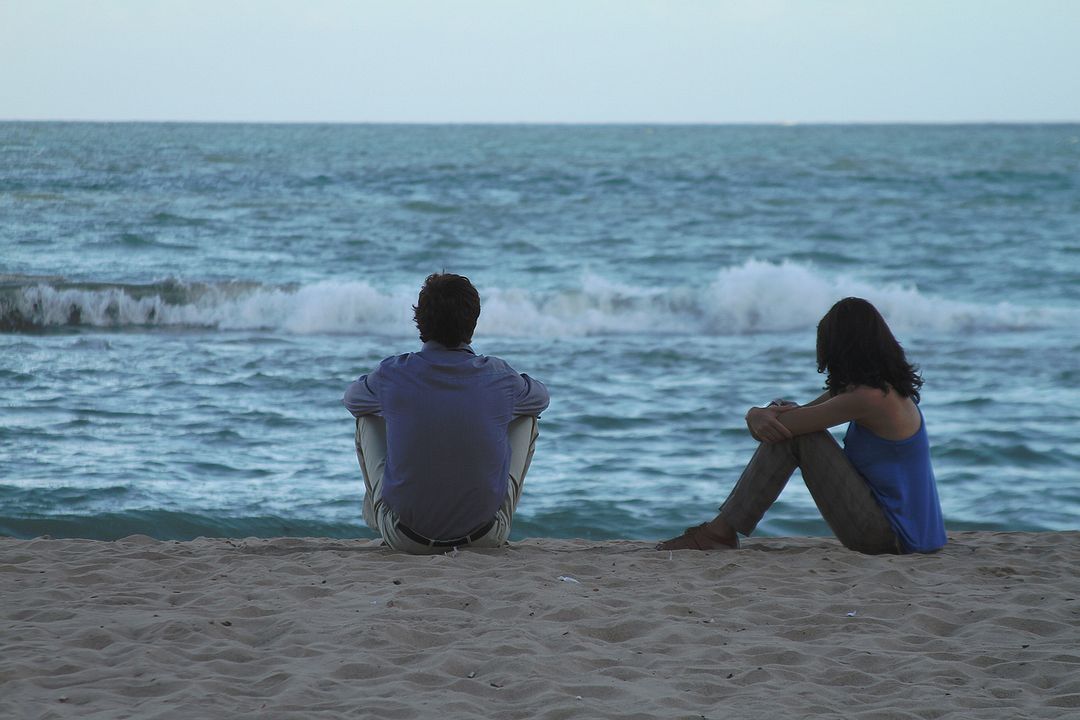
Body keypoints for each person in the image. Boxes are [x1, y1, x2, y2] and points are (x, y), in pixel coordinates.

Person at [659, 297, 946, 555]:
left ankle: (720, 532)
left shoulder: (868, 398)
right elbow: (799, 414)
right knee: (792, 424)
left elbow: (789, 428)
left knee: (797, 437)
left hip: (891, 537)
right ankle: (721, 531)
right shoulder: (883, 389)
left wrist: (754, 414)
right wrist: (765, 413)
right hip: (911, 535)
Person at [343, 273, 549, 554]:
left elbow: (352, 399)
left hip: (405, 539)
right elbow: (542, 398)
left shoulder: (393, 374)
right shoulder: (500, 376)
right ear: (473, 323)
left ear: (420, 321)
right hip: (484, 538)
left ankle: (377, 513)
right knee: (528, 417)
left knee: (366, 416)